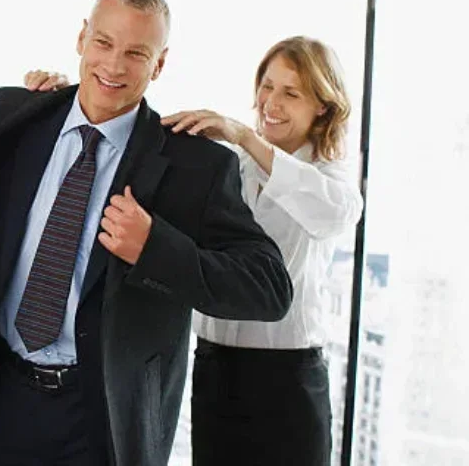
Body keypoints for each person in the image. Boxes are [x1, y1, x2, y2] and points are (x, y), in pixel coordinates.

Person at [0, 0, 292, 466]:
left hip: (99, 420)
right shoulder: (17, 113)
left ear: (159, 64)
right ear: (81, 39)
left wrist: (155, 247)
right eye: (104, 43)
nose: (114, 66)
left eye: (136, 53)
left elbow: (270, 288)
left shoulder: (195, 166)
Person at [25, 35, 363, 465]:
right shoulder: (228, 167)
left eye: (290, 93)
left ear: (322, 106)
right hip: (213, 367)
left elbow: (336, 214)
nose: (271, 103)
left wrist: (243, 136)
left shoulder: (328, 177)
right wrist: (68, 101)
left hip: (287, 379)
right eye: (267, 86)